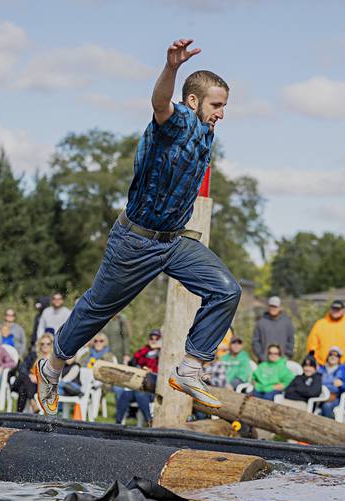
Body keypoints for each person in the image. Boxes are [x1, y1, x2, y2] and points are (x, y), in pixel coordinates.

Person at [35, 40, 238, 414]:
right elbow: (160, 103)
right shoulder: (175, 122)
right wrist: (171, 68)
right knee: (97, 308)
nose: (222, 114)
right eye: (216, 105)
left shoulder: (206, 133)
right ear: (193, 102)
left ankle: (190, 369)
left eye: (225, 105)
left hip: (174, 243)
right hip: (136, 241)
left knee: (226, 290)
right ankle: (52, 365)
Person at [115, 330, 161, 425]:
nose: (153, 341)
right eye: (151, 338)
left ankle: (149, 421)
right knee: (125, 394)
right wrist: (128, 362)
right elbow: (133, 362)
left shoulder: (163, 353)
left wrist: (152, 372)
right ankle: (118, 422)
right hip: (140, 385)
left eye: (157, 339)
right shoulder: (144, 350)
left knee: (140, 394)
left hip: (153, 388)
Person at [306, 300, 345, 366]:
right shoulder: (320, 324)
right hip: (322, 364)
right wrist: (314, 358)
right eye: (333, 309)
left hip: (344, 364)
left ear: (343, 310)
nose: (335, 311)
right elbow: (312, 343)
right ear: (330, 309)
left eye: (338, 309)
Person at [13, 333, 53, 413]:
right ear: (39, 345)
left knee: (23, 388)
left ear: (51, 344)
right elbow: (22, 367)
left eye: (48, 344)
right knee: (25, 378)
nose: (45, 346)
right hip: (29, 382)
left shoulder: (54, 359)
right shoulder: (34, 355)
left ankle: (18, 414)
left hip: (42, 386)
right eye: (42, 344)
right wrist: (30, 376)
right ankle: (32, 401)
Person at [252, 296, 295, 361]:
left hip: (282, 362)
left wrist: (286, 356)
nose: (273, 308)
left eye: (275, 306)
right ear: (268, 307)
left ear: (280, 307)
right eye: (271, 306)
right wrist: (261, 356)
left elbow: (291, 340)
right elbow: (255, 341)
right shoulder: (261, 322)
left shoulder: (287, 322)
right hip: (264, 361)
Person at [318, 347, 345, 419]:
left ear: (339, 358)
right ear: (328, 356)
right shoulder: (321, 369)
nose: (333, 357)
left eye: (336, 355)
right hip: (320, 395)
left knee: (326, 406)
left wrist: (342, 384)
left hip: (335, 397)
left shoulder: (342, 369)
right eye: (331, 354)